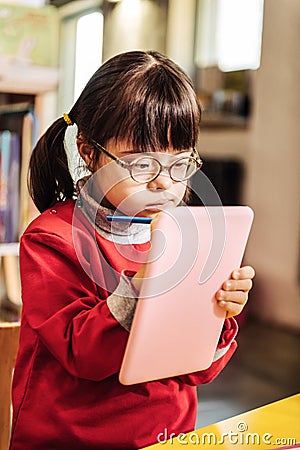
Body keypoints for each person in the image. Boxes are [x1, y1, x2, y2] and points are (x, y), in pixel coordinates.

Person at [10, 50, 255, 450]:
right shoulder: (51, 239)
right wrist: (143, 286)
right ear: (89, 151)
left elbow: (198, 371)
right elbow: (83, 357)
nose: (164, 184)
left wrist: (219, 312)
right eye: (142, 165)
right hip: (72, 438)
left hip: (167, 434)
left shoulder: (188, 242)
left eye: (179, 166)